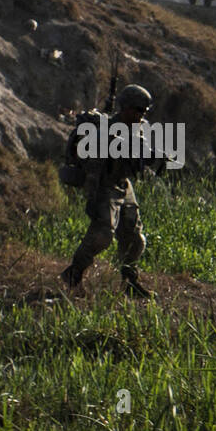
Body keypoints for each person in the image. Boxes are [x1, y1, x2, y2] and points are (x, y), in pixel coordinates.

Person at [59, 84, 161, 299]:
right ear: (125, 107)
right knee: (103, 234)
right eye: (137, 109)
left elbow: (138, 158)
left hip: (123, 184)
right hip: (103, 183)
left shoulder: (137, 129)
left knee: (135, 239)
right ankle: (73, 275)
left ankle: (129, 282)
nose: (140, 115)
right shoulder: (104, 129)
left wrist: (151, 157)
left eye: (144, 111)